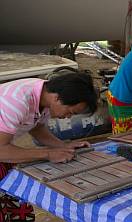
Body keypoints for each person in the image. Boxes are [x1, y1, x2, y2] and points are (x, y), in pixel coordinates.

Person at [0, 72, 98, 221]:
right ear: (57, 98)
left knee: (17, 207)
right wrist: (48, 153)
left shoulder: (43, 95)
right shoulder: (16, 101)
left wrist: (64, 146)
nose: (68, 117)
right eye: (70, 112)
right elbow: (1, 150)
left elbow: (36, 127)